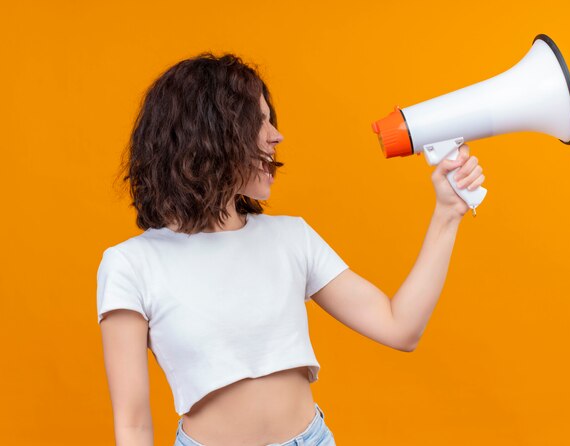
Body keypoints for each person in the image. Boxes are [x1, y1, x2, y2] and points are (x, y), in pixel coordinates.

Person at [96, 52, 485, 446]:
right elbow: (132, 424)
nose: (275, 135)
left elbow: (400, 327)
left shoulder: (291, 238)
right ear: (206, 133)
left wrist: (447, 213)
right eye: (258, 121)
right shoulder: (130, 264)